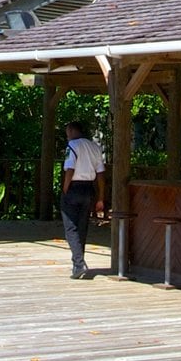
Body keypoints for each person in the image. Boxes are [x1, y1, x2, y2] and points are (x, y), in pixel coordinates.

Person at [59, 119, 106, 279]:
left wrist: (65, 189)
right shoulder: (95, 147)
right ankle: (78, 263)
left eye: (67, 132)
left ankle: (79, 264)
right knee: (82, 226)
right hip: (89, 189)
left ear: (72, 131)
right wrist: (100, 197)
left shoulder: (72, 146)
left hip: (74, 188)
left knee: (70, 227)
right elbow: (100, 174)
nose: (67, 136)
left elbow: (70, 168)